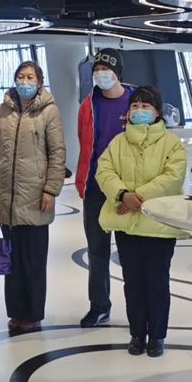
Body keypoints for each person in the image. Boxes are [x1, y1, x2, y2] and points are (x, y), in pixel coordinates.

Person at [95, 86, 187, 358]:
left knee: (157, 283)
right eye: (135, 106)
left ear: (157, 112)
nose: (139, 110)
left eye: (146, 106)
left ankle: (157, 335)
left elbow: (173, 176)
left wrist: (140, 197)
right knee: (132, 282)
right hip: (127, 224)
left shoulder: (171, 143)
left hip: (159, 224)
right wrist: (122, 194)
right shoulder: (118, 142)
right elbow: (104, 171)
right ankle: (137, 333)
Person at [0, 61, 66, 332]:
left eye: (30, 77)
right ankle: (16, 310)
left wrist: (51, 189)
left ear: (39, 82)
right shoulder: (3, 110)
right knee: (11, 259)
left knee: (33, 261)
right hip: (7, 197)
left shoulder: (49, 111)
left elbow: (57, 153)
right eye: (20, 76)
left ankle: (32, 313)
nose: (24, 81)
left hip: (35, 197)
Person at [75, 48, 136, 328]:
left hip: (129, 189)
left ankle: (137, 307)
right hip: (96, 187)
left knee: (131, 252)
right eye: (97, 69)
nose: (101, 74)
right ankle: (99, 306)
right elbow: (85, 143)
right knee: (97, 250)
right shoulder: (88, 105)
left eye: (106, 69)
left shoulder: (136, 100)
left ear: (117, 72)